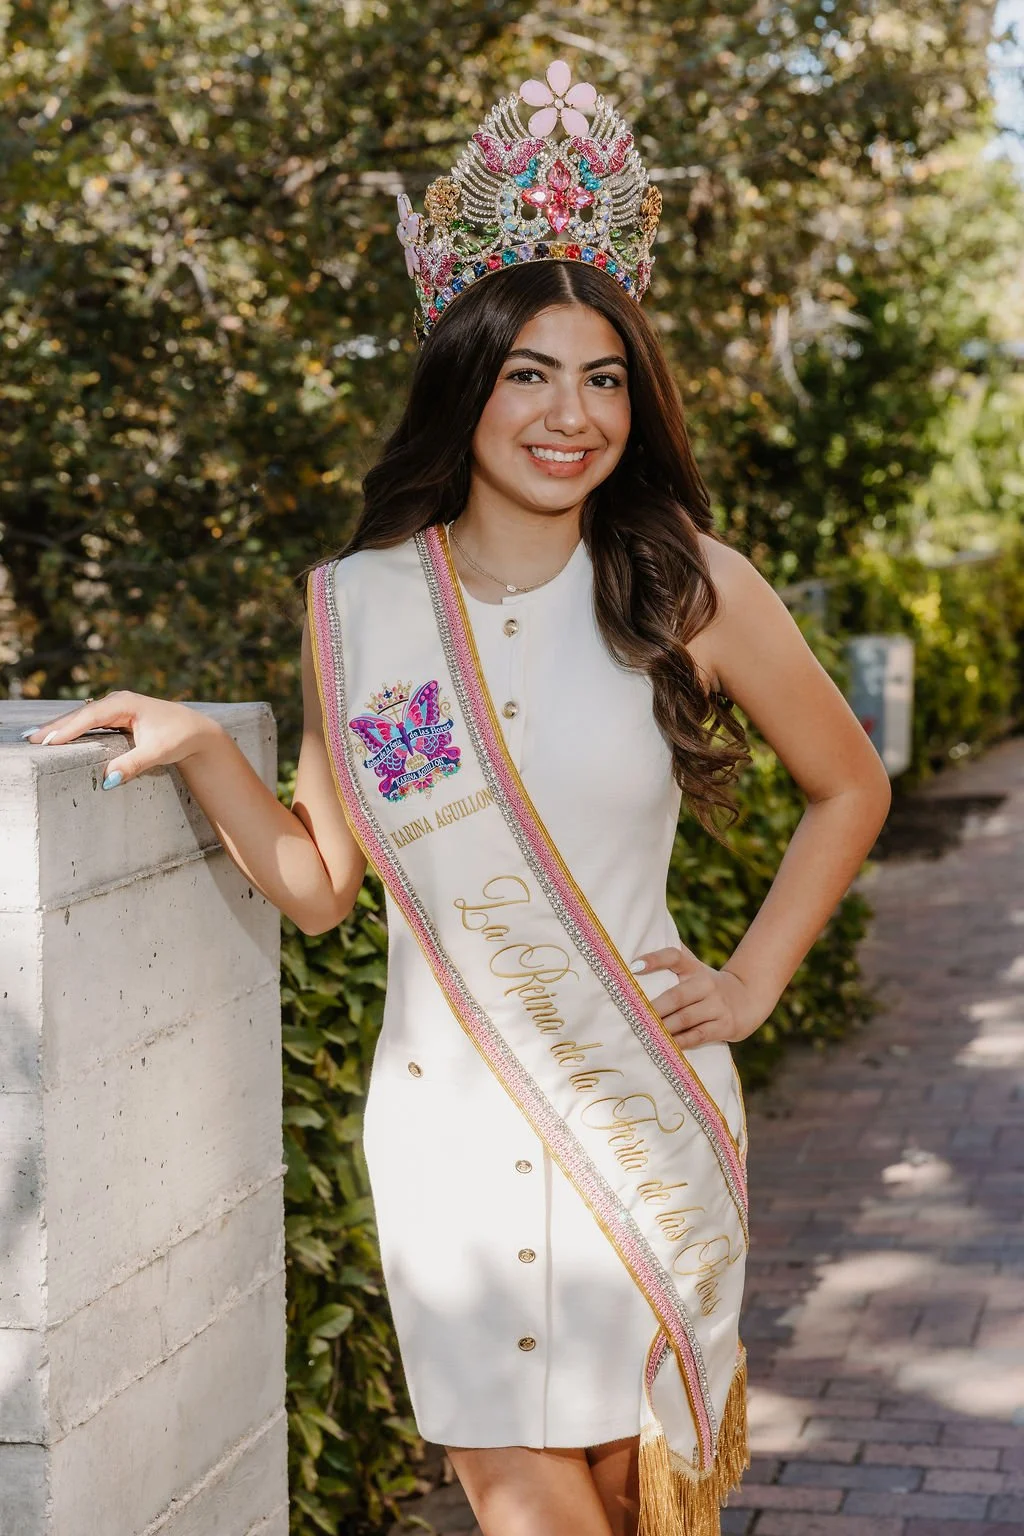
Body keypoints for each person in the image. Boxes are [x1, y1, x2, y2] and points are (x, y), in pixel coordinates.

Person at [23, 61, 891, 1536]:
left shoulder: (688, 583)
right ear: (466, 386)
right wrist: (206, 750)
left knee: (637, 1508)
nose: (572, 414)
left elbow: (850, 785)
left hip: (636, 1115)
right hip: (446, 1151)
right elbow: (316, 891)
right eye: (531, 375)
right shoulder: (358, 608)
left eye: (604, 377)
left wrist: (749, 983)